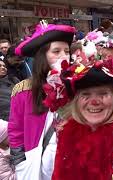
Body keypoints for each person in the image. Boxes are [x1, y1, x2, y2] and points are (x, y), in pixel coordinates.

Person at [48, 57, 113, 179]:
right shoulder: (67, 137)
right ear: (77, 101)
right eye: (85, 94)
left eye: (103, 93)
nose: (94, 101)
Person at [8, 21, 76, 180]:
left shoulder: (77, 85)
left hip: (69, 160)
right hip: (36, 162)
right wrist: (20, 162)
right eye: (56, 51)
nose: (63, 56)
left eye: (66, 51)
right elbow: (15, 129)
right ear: (42, 55)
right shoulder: (23, 90)